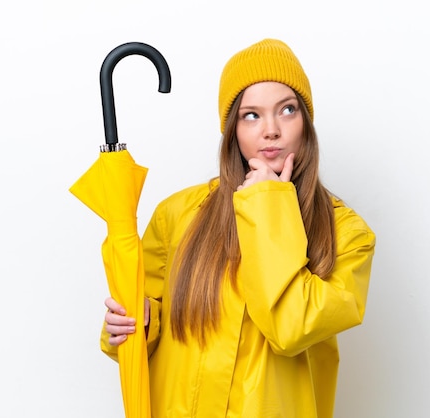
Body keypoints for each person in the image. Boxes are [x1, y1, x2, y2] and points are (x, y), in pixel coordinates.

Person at [101, 38, 376, 417]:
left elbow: (291, 328)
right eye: (252, 115)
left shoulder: (348, 234)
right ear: (232, 128)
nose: (271, 130)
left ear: (306, 122)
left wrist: (268, 205)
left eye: (287, 110)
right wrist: (134, 324)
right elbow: (143, 333)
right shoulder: (178, 214)